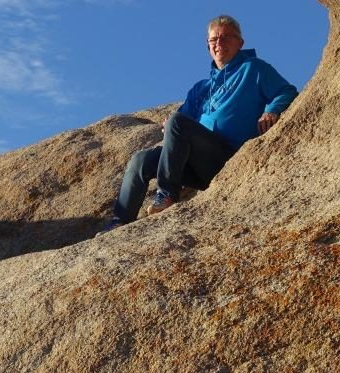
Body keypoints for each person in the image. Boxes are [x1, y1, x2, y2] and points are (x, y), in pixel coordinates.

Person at [101, 15, 297, 232]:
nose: (219, 44)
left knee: (178, 122)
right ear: (207, 45)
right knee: (141, 159)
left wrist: (272, 109)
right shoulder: (201, 88)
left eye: (225, 38)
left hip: (227, 158)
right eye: (213, 40)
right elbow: (181, 120)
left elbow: (286, 90)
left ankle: (167, 194)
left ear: (240, 43)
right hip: (196, 164)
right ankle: (119, 221)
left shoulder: (254, 68)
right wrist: (169, 126)